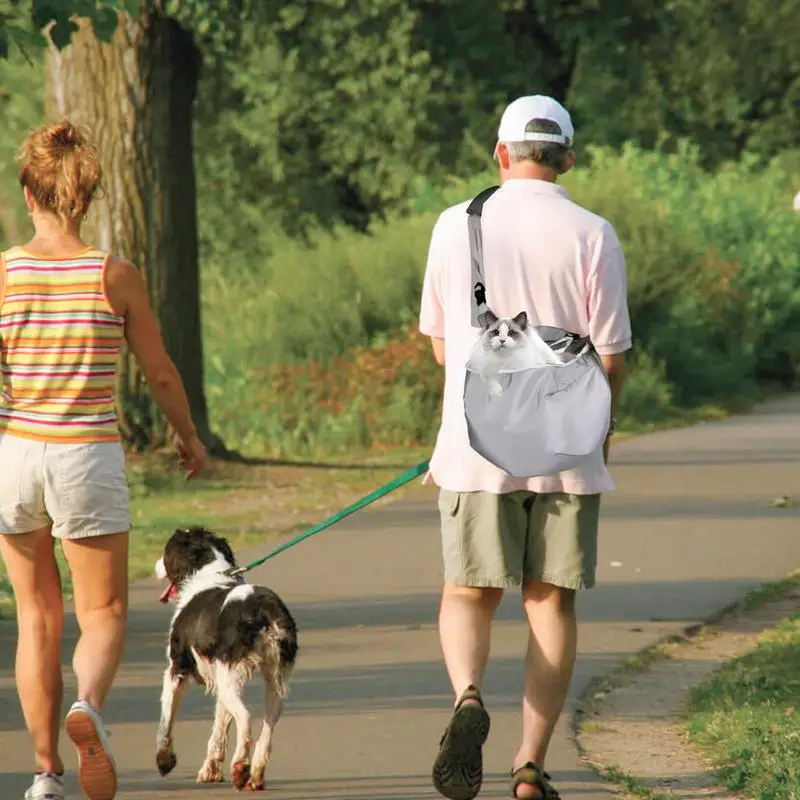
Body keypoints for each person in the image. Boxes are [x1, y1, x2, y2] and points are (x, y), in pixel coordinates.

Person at [419, 95, 631, 800]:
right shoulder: (594, 232)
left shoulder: (456, 225)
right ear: (568, 158)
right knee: (550, 601)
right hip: (567, 445)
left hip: (477, 446)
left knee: (467, 592)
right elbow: (612, 355)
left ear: (501, 155)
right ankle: (530, 768)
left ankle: (470, 697)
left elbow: (442, 344)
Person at [0, 119, 207, 800]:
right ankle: (87, 704)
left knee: (36, 619)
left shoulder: (3, 273)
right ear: (82, 198)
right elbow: (163, 374)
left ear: (28, 193)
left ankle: (45, 775)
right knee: (105, 611)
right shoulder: (113, 274)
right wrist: (188, 437)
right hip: (83, 454)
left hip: (16, 456)